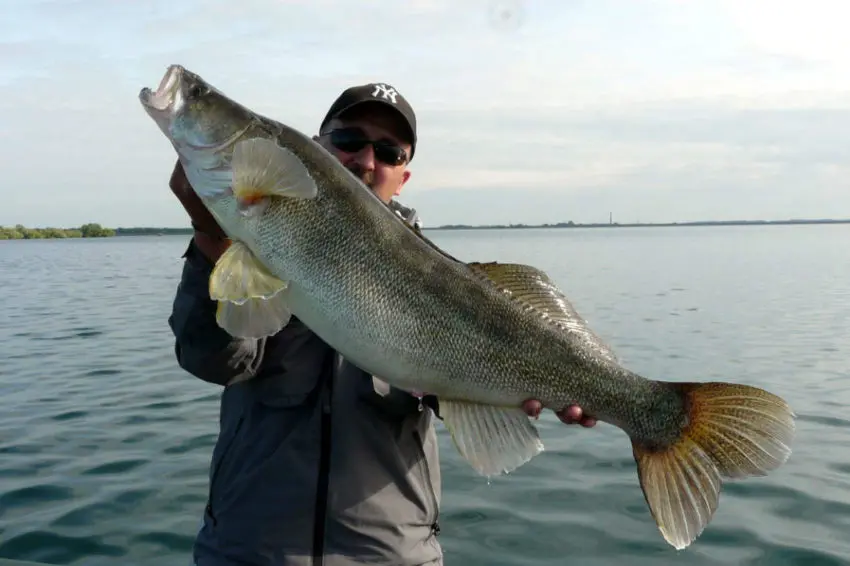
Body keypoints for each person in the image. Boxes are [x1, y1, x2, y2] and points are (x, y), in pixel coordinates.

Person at [167, 81, 596, 566]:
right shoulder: (259, 246)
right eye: (349, 141)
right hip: (249, 550)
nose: (367, 161)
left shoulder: (441, 284)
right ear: (315, 148)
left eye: (389, 152)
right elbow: (214, 360)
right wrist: (209, 238)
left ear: (403, 177)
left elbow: (457, 394)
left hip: (390, 555)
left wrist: (563, 386)